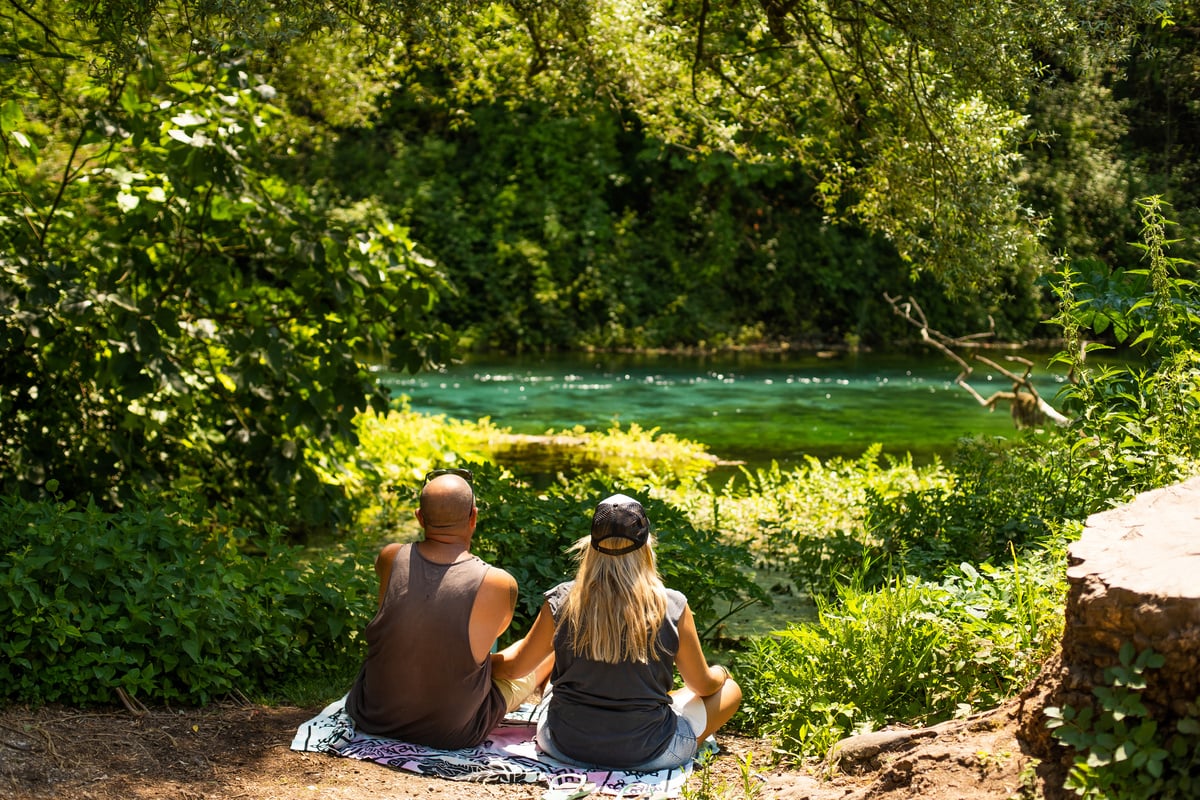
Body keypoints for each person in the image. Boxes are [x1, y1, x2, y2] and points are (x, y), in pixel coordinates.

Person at [491, 493, 742, 771]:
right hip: (649, 752)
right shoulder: (671, 605)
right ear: (646, 546)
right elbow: (702, 686)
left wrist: (470, 662)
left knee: (551, 663)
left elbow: (514, 668)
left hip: (563, 745)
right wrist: (721, 673)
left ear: (591, 546)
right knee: (729, 690)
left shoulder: (563, 600)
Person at [344, 468, 550, 749]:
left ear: (419, 517)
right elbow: (502, 651)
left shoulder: (389, 557)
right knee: (547, 654)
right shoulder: (498, 583)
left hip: (373, 716)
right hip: (452, 732)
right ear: (473, 517)